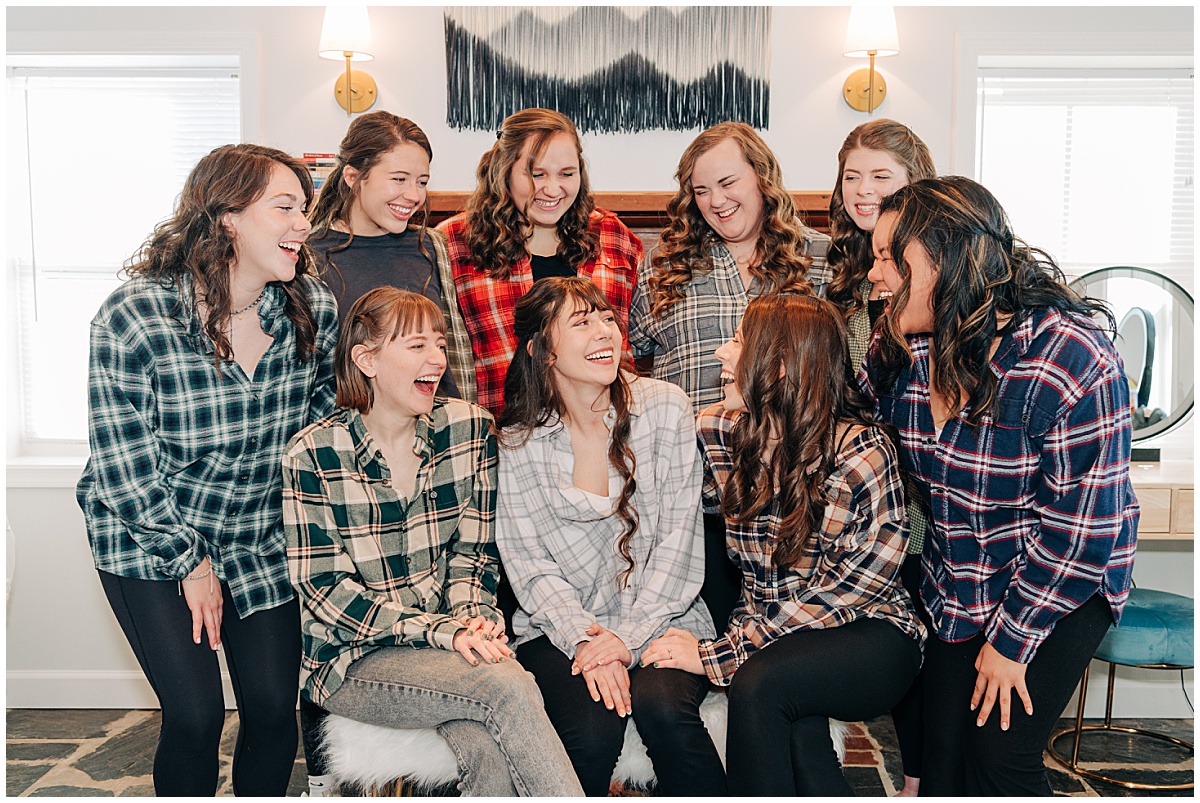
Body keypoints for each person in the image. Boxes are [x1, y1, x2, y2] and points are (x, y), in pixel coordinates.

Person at [76, 144, 338, 796]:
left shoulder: (312, 308)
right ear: (227, 218)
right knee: (195, 717)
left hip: (258, 535)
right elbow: (124, 466)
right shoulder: (136, 316)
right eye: (285, 207)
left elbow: (322, 437)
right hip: (149, 535)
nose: (303, 223)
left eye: (305, 208)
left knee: (274, 712)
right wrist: (190, 563)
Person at [862, 176, 1138, 796]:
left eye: (888, 258)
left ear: (946, 259)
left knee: (998, 756)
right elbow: (848, 415)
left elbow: (1079, 534)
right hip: (961, 573)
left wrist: (1011, 643)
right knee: (943, 765)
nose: (873, 275)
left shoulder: (1072, 359)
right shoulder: (899, 341)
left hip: (1062, 575)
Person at [282, 287, 583, 797]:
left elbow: (473, 556)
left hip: (447, 647)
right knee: (506, 685)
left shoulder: (469, 429)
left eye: (441, 345)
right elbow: (326, 593)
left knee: (484, 744)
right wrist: (443, 632)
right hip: (353, 661)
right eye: (417, 345)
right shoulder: (312, 453)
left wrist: (473, 617)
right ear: (367, 360)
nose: (438, 359)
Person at [641, 293, 924, 796]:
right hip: (771, 635)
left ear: (780, 368)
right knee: (798, 735)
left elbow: (841, 594)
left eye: (737, 342)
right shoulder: (720, 431)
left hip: (868, 633)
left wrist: (718, 655)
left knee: (761, 684)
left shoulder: (861, 454)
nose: (721, 353)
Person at [495, 277, 724, 796]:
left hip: (663, 614)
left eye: (607, 319)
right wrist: (587, 639)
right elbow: (530, 566)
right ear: (542, 351)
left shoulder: (663, 407)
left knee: (664, 709)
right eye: (582, 322)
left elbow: (679, 546)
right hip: (561, 626)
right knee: (591, 731)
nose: (605, 332)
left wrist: (626, 640)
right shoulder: (518, 441)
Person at [627, 121, 830, 632]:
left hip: (793, 496)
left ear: (762, 176)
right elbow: (633, 359)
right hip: (690, 494)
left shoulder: (820, 257)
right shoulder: (663, 265)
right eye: (700, 190)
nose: (716, 201)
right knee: (696, 637)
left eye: (727, 182)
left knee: (784, 638)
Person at [826, 117, 936, 797]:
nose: (863, 189)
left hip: (926, 492)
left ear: (912, 182)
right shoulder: (839, 268)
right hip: (860, 487)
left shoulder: (934, 270)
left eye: (880, 176)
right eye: (852, 176)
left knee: (927, 657)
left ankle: (919, 781)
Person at [438, 107, 642, 415]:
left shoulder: (612, 235)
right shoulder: (454, 241)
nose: (552, 189)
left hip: (607, 424)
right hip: (502, 427)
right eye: (537, 175)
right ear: (504, 171)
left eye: (566, 174)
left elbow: (638, 337)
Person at [307, 111, 475, 401]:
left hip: (439, 419)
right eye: (399, 179)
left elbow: (455, 355)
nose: (414, 196)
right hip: (354, 423)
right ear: (353, 177)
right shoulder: (309, 257)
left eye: (422, 182)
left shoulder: (433, 246)